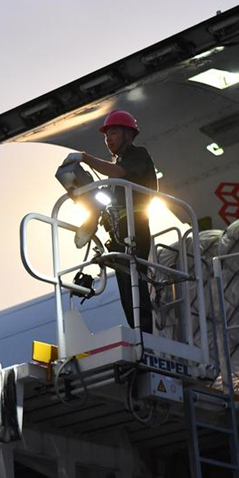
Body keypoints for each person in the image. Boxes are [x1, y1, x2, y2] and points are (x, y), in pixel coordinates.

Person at [72, 110, 157, 334]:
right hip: (119, 235)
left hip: (136, 227)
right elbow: (106, 200)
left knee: (136, 285)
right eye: (106, 134)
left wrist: (85, 158)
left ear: (128, 134)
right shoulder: (114, 173)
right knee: (126, 292)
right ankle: (138, 332)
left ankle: (145, 334)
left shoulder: (138, 155)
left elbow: (120, 172)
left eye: (114, 132)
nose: (108, 138)